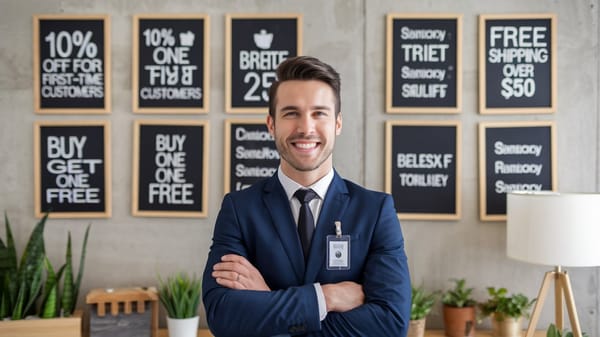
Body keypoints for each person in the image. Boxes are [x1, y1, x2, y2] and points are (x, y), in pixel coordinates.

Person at [202, 55, 411, 337]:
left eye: (319, 113)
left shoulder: (375, 211)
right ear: (271, 124)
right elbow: (223, 316)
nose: (305, 128)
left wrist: (268, 302)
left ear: (337, 124)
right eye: (291, 113)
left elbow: (390, 323)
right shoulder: (239, 210)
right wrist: (325, 298)